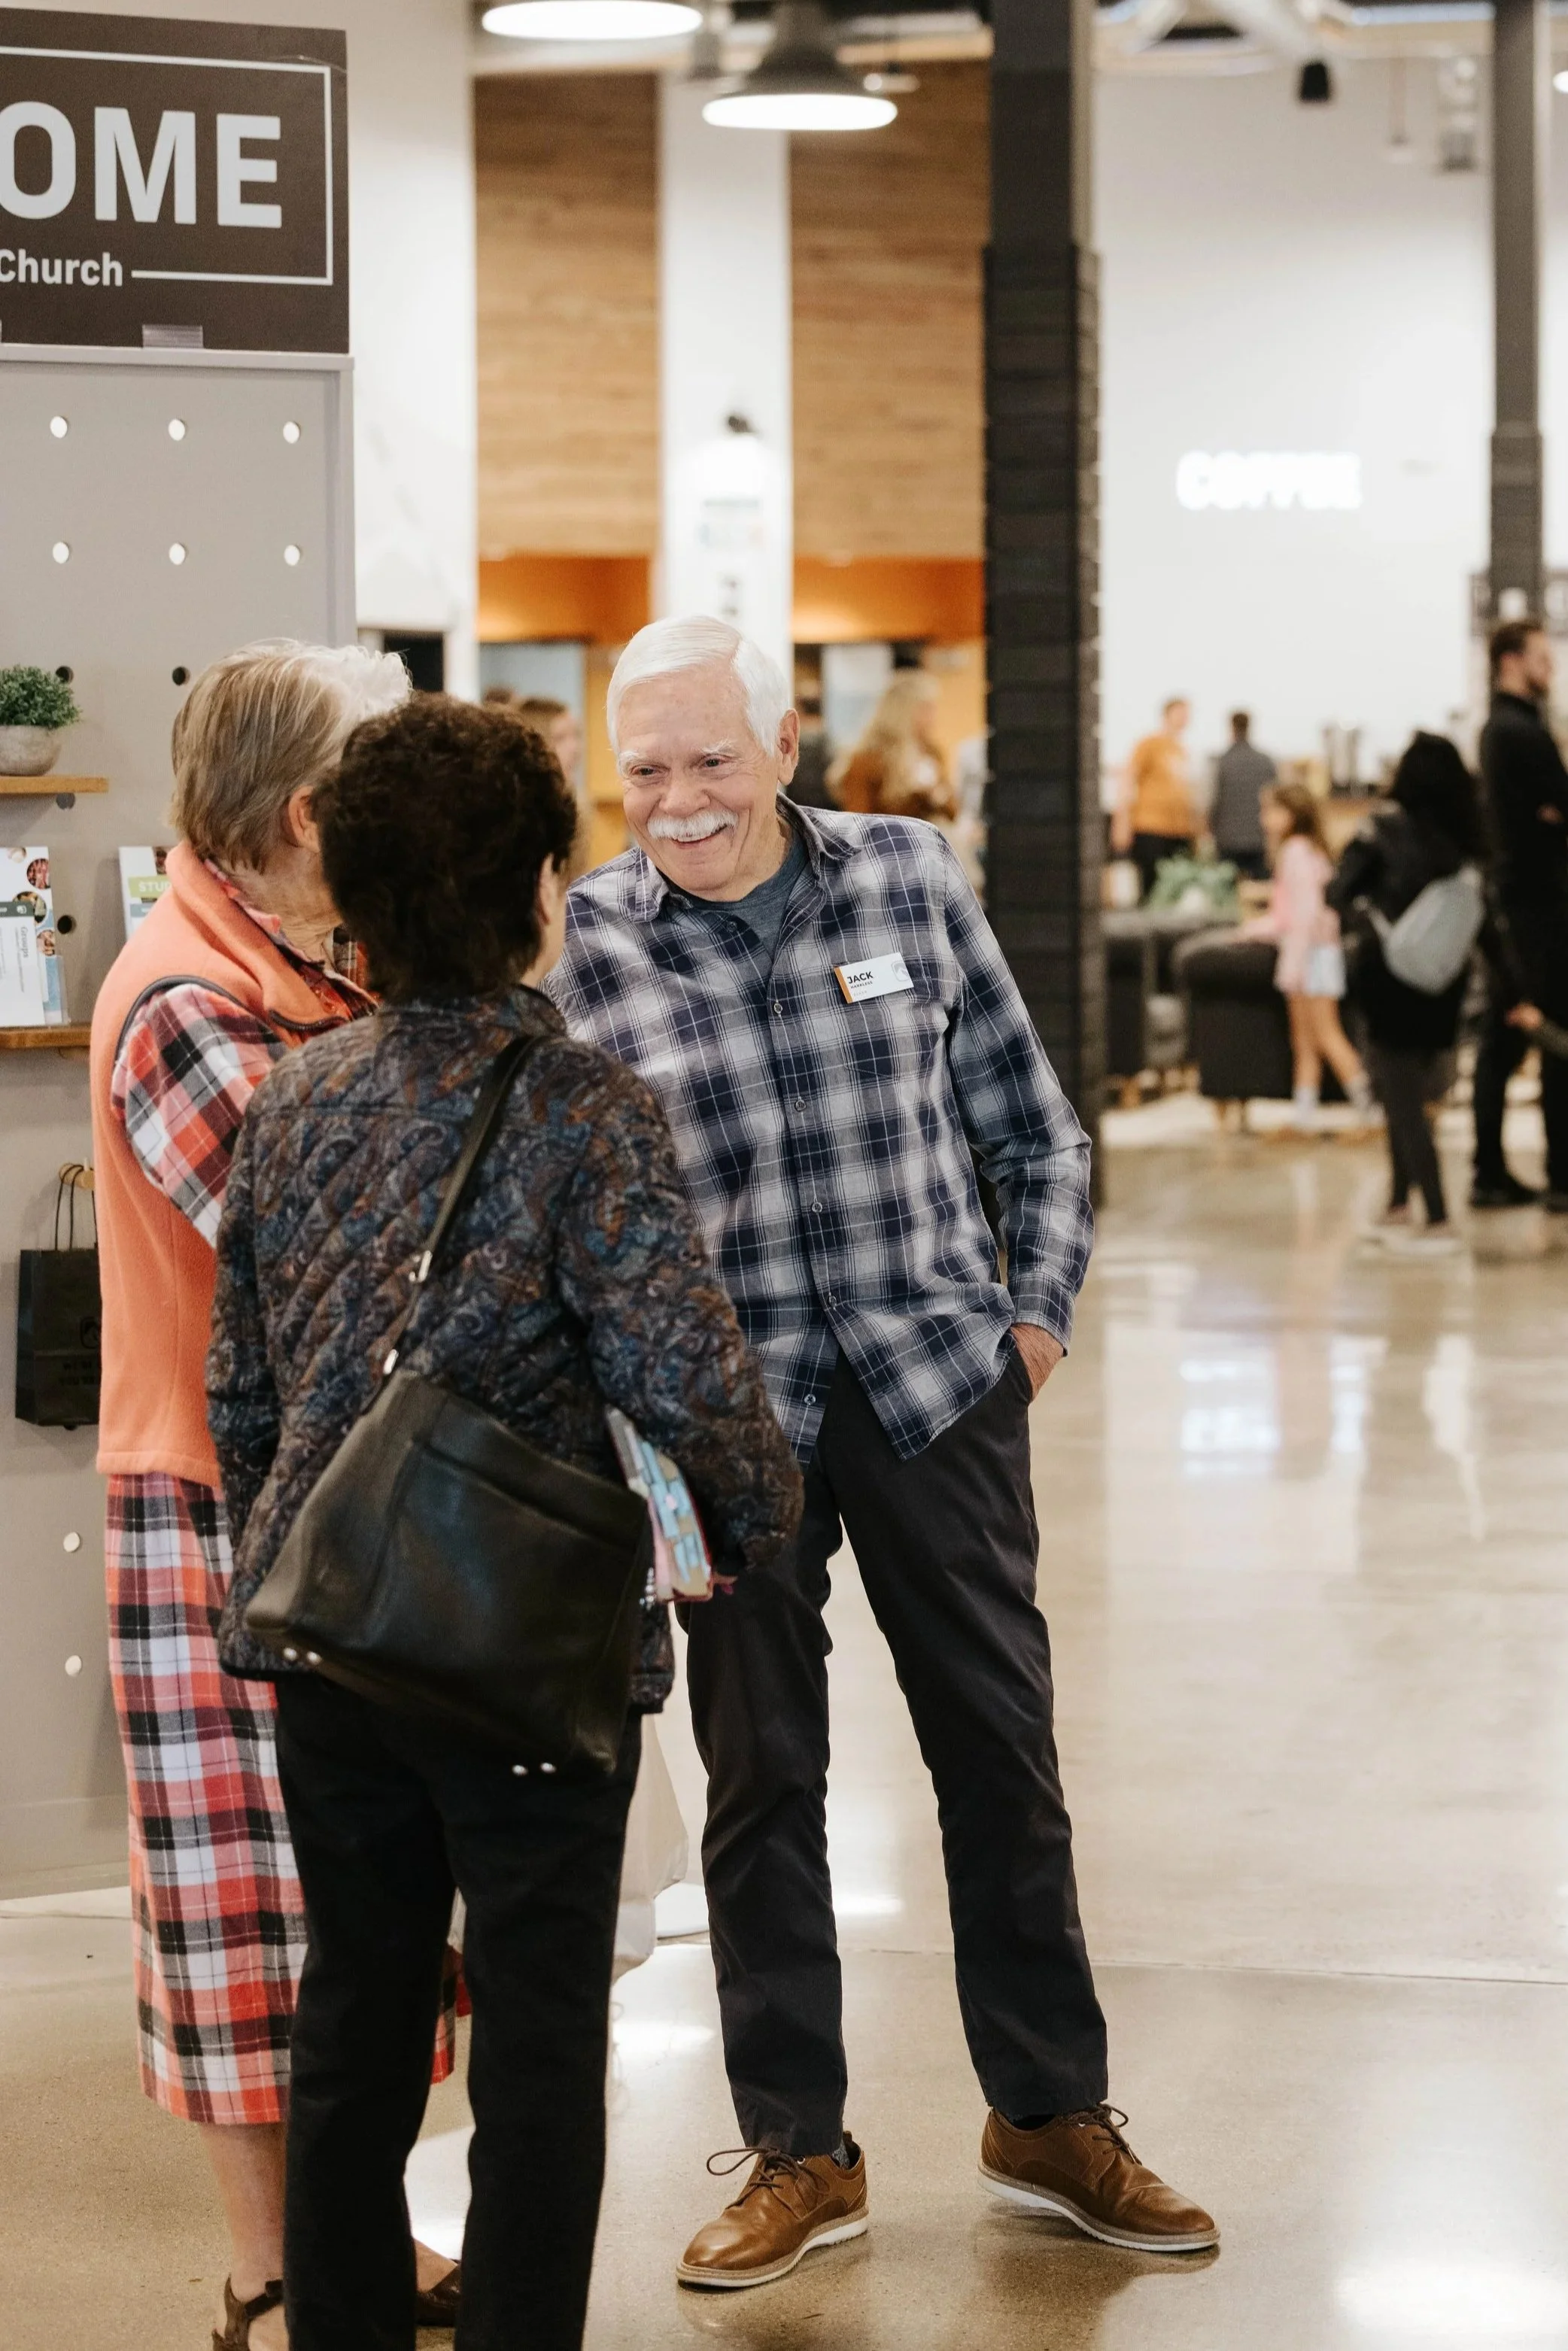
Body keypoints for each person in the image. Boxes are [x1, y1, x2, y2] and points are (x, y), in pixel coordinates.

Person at [548, 615, 1217, 2295]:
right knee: (761, 1776)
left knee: (999, 1751)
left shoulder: (907, 875)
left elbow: (1031, 1121)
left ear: (784, 741)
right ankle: (799, 2147)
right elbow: (568, 1213)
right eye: (645, 772)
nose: (680, 799)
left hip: (932, 1384)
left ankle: (1051, 2114)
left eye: (710, 758)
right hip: (718, 1421)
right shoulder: (588, 945)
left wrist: (1032, 1319)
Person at [207, 694, 801, 2351]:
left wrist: (286, 1571)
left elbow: (240, 1398)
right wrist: (760, 1511)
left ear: (364, 893)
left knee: (357, 2022)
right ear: (542, 881)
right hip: (526, 1654)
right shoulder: (581, 1107)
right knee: (536, 2047)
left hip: (339, 1634)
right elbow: (681, 1372)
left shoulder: (293, 1100)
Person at [87, 641, 463, 2351]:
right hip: (225, 1516)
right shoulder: (183, 998)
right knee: (250, 1909)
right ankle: (277, 2273)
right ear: (311, 811)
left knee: (358, 1893)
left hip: (349, 1495)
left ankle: (357, 2240)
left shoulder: (318, 959)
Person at [1329, 734, 1484, 1253]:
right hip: (1443, 980)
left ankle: (1437, 1214)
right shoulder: (1466, 835)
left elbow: (1341, 890)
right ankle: (1398, 1203)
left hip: (1388, 978)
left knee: (1400, 1098)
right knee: (1409, 1095)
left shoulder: (1383, 827)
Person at [1472, 618, 1568, 1209]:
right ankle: (1560, 1171)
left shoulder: (1514, 727)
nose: (1550, 665)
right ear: (1511, 660)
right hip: (1535, 907)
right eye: (1540, 655)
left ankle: (1492, 1167)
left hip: (1525, 901)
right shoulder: (1515, 731)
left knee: (1507, 1034)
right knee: (1545, 1032)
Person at [1247, 780, 1372, 1134]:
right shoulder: (1311, 851)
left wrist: (1291, 960)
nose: (1264, 818)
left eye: (1271, 810)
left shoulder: (1295, 853)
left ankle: (1370, 1108)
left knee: (1325, 1034)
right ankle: (1306, 1114)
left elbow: (1301, 915)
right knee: (1306, 1039)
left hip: (1309, 955)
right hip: (1318, 952)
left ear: (1291, 814)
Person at [828, 668, 957, 827]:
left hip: (926, 846)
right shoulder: (867, 759)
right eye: (926, 708)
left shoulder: (932, 753)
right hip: (884, 847)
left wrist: (934, 793)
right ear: (903, 710)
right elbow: (857, 823)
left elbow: (953, 813)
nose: (934, 716)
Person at [1112, 696, 1200, 899]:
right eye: (1180, 713)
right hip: (1151, 826)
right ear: (1167, 715)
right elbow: (1128, 778)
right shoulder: (1150, 744)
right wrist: (1122, 821)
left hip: (1179, 829)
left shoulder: (1181, 750)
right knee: (1152, 888)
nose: (1184, 719)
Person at [1211, 710, 1276, 880]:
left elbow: (1214, 800)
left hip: (1228, 839)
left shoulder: (1223, 762)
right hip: (1258, 837)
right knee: (1260, 891)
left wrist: (1211, 827)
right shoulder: (1265, 761)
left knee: (1227, 890)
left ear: (1231, 728)